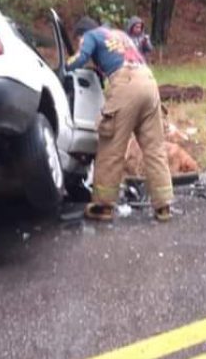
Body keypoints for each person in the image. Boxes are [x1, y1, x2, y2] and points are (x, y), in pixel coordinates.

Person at [67, 17, 174, 222]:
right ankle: (163, 206)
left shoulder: (91, 35)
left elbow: (81, 58)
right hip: (149, 83)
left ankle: (102, 205)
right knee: (154, 148)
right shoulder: (120, 35)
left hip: (125, 83)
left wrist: (62, 68)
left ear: (82, 34)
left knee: (111, 145)